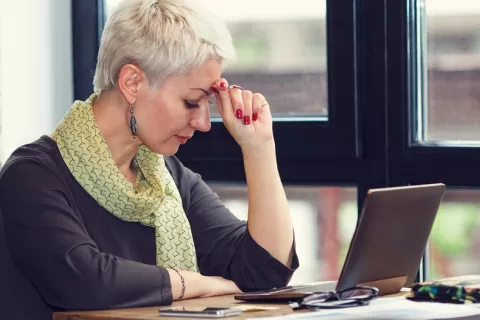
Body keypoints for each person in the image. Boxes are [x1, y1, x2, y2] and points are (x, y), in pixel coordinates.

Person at [0, 0, 298, 316]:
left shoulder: (166, 178)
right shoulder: (31, 176)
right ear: (132, 83)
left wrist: (259, 149)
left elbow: (264, 272)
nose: (203, 123)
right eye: (191, 101)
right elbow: (85, 281)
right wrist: (195, 284)